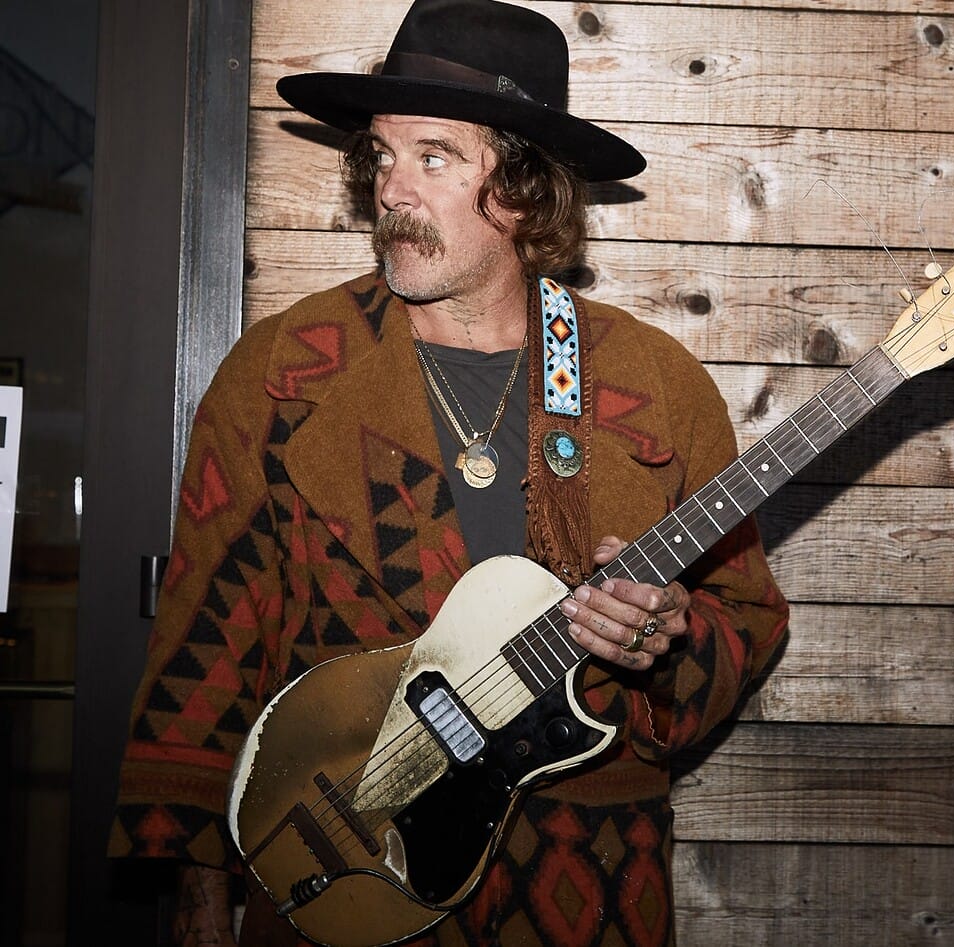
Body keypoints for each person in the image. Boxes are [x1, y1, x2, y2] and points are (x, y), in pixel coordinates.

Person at [108, 1, 790, 944]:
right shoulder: (282, 374)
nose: (392, 189)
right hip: (341, 879)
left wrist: (671, 639)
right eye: (382, 156)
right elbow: (204, 645)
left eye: (433, 158)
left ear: (524, 191)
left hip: (586, 894)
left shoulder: (657, 384)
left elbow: (745, 614)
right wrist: (197, 902)